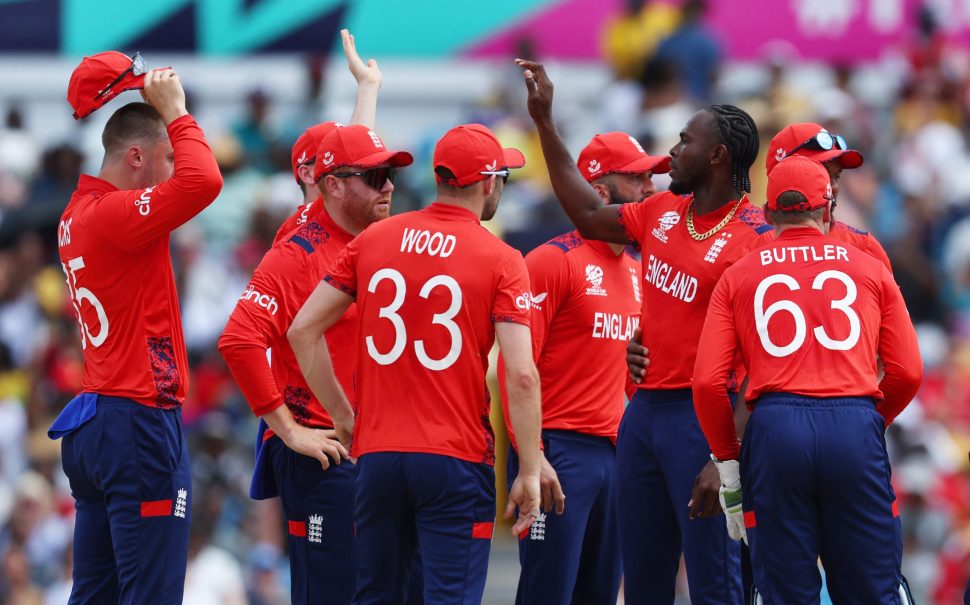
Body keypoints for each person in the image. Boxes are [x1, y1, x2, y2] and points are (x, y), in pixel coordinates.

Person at [516, 58, 767, 604]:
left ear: (718, 157)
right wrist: (545, 123)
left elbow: (765, 363)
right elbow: (586, 213)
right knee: (644, 581)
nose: (671, 153)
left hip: (705, 421)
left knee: (714, 581)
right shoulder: (661, 212)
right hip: (643, 418)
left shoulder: (756, 237)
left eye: (685, 142)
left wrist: (726, 456)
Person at [287, 123, 543, 604]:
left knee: (377, 595)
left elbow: (303, 330)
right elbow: (522, 374)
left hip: (378, 456)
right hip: (455, 456)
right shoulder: (503, 257)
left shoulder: (377, 238)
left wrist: (345, 419)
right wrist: (528, 467)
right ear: (488, 182)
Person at [692, 154, 922, 603]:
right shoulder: (870, 267)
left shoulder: (738, 275)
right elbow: (908, 371)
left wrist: (728, 465)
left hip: (775, 430)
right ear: (829, 209)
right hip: (854, 421)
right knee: (874, 590)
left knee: (784, 593)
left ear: (770, 213)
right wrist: (872, 421)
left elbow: (706, 383)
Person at [50, 61, 223, 603]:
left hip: (99, 420)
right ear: (137, 157)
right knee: (152, 595)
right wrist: (177, 111)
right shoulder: (114, 216)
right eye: (167, 157)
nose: (176, 167)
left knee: (95, 595)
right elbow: (205, 180)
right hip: (138, 419)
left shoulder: (76, 214)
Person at [218, 123, 413, 604]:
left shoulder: (379, 239)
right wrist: (287, 430)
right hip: (325, 453)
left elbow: (348, 146)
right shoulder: (297, 253)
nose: (388, 185)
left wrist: (367, 89)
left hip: (378, 449)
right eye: (376, 176)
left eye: (390, 173)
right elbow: (239, 340)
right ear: (333, 185)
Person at [502, 132, 667, 604]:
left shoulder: (640, 269)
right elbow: (519, 367)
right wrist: (532, 458)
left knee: (599, 593)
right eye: (637, 178)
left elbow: (635, 375)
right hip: (558, 452)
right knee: (547, 592)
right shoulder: (552, 262)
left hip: (617, 454)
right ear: (600, 191)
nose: (650, 188)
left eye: (651, 176)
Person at [274, 29, 382, 244]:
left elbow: (359, 155)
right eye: (333, 161)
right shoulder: (297, 231)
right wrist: (367, 89)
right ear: (307, 173)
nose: (350, 170)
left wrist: (368, 87)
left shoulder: (347, 217)